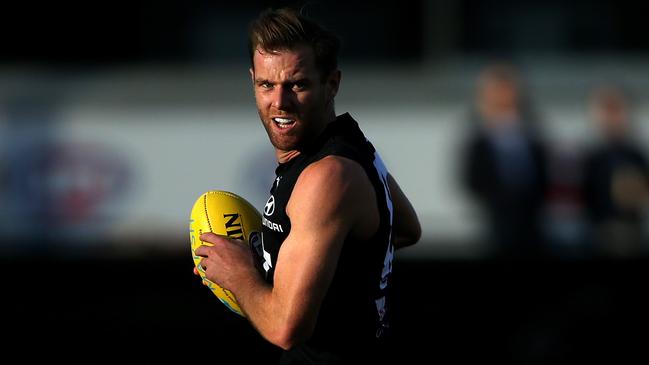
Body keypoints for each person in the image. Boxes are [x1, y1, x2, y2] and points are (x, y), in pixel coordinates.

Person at [194, 7, 421, 364]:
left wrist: (239, 273)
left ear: (332, 83)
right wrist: (301, 267)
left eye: (297, 85)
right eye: (266, 85)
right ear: (252, 79)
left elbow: (286, 328)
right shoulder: (347, 145)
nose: (279, 103)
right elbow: (405, 228)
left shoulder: (325, 177)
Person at [460, 62, 549, 259]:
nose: (503, 97)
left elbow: (544, 177)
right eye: (496, 91)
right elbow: (471, 181)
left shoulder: (532, 136)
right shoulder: (479, 141)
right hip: (495, 230)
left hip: (532, 230)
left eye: (507, 90)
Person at [581, 84, 649, 257]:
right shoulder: (590, 155)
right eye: (607, 110)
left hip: (630, 230)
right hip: (597, 230)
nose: (612, 117)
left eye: (617, 110)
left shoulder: (635, 154)